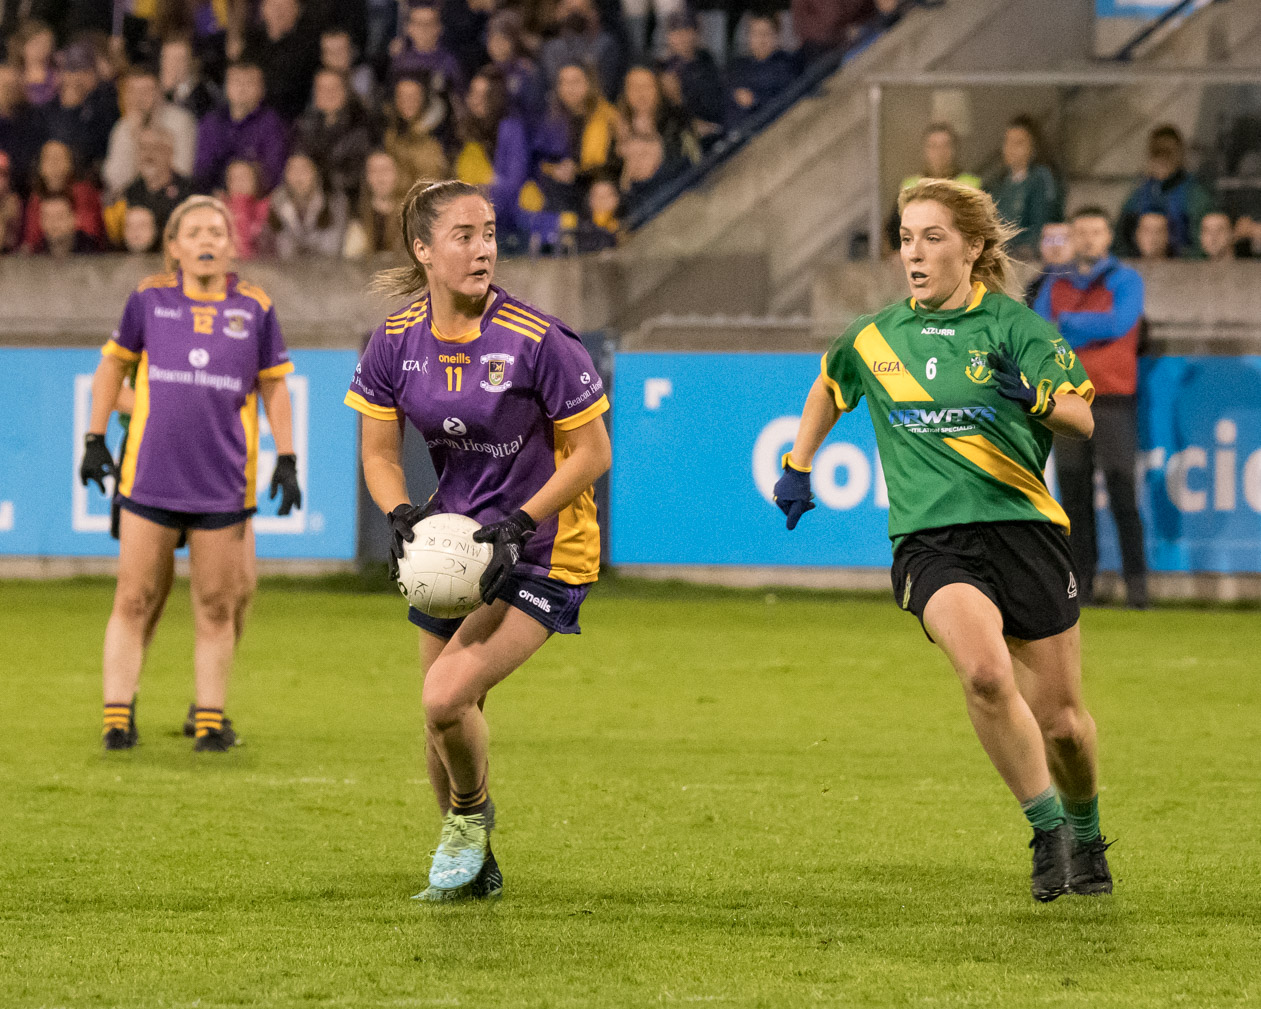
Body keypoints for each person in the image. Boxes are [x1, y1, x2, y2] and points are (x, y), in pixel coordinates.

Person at [774, 178, 1113, 902]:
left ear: (973, 247)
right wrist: (797, 463)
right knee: (985, 675)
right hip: (933, 543)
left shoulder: (1016, 328)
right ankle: (1045, 825)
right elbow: (828, 386)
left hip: (1024, 533)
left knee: (1063, 726)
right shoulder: (873, 337)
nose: (914, 253)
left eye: (932, 237)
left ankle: (1085, 831)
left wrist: (1041, 400)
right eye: (905, 237)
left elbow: (1082, 419)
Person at [344, 179, 611, 901]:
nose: (483, 248)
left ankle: (468, 817)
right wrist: (400, 509)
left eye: (489, 232)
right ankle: (472, 863)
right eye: (463, 235)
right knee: (445, 716)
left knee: (443, 698)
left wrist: (521, 523)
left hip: (543, 546)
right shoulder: (395, 341)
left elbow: (592, 454)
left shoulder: (537, 340)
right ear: (422, 249)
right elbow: (376, 451)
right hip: (453, 542)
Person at [79, 194, 302, 752]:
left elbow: (274, 385)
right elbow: (112, 365)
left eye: (217, 232)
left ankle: (207, 720)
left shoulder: (255, 307)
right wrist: (93, 437)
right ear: (173, 247)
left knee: (220, 602)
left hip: (223, 483)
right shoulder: (149, 299)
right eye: (195, 232)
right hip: (150, 477)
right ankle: (116, 718)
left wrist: (290, 458)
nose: (207, 240)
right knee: (134, 597)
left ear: (232, 246)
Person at [1035, 206, 1147, 610]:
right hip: (1067, 402)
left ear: (1108, 236)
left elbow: (1120, 323)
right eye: (1080, 231)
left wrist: (1069, 324)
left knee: (1122, 495)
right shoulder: (1058, 281)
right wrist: (1078, 326)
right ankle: (1082, 585)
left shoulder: (1126, 279)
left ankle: (1138, 587)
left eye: (1095, 231)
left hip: (1114, 400)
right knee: (1074, 499)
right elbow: (1040, 332)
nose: (1087, 239)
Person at [1115, 125, 1211, 259]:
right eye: (1156, 152)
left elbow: (1204, 243)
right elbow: (1120, 240)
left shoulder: (1194, 194)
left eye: (1168, 152)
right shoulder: (1139, 194)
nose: (1162, 158)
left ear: (1180, 154)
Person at [102, 65, 197, 197]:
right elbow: (115, 180)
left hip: (170, 196)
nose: (139, 98)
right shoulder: (123, 128)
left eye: (146, 91)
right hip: (133, 199)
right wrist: (134, 136)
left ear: (159, 93)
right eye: (133, 91)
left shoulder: (180, 122)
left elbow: (183, 171)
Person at [194, 61, 289, 191]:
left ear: (261, 89)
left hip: (258, 201)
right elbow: (202, 169)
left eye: (249, 82)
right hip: (216, 199)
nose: (242, 88)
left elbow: (274, 171)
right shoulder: (211, 122)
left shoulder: (271, 123)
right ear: (226, 87)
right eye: (236, 82)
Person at [886, 122, 980, 250]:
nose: (940, 152)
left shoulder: (971, 185)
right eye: (933, 146)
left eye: (946, 145)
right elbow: (892, 229)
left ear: (955, 149)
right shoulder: (910, 186)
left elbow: (979, 229)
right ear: (925, 150)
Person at [984, 115, 1062, 261]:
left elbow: (1041, 224)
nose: (1011, 149)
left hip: (1028, 258)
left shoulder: (1042, 178)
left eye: (1019, 143)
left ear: (1033, 147)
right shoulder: (998, 183)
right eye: (1008, 142)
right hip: (1001, 254)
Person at [292, 68, 373, 201]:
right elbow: (299, 161)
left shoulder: (361, 125)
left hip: (349, 199)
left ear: (345, 92)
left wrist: (321, 180)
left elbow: (358, 175)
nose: (329, 94)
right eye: (322, 89)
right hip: (312, 199)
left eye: (334, 88)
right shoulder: (304, 125)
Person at [239, 0, 322, 122]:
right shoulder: (251, 42)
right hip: (250, 116)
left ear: (297, 11)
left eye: (286, 6)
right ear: (263, 10)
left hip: (289, 119)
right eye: (274, 5)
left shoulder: (308, 46)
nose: (279, 12)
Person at [20, 138, 103, 251]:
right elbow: (32, 239)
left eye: (59, 158)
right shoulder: (36, 198)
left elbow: (91, 232)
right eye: (48, 159)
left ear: (70, 164)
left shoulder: (85, 192)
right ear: (40, 167)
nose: (54, 165)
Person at [267, 151, 348, 259]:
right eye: (292, 170)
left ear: (316, 173)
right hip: (284, 273)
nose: (298, 177)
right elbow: (275, 251)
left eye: (304, 170)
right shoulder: (275, 205)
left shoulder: (335, 205)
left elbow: (332, 248)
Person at [724, 12, 798, 125]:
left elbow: (788, 101)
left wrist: (755, 101)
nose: (761, 39)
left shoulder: (786, 64)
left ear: (776, 36)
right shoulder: (737, 67)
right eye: (756, 34)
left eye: (766, 33)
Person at [382, 74, 450, 187]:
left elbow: (430, 185)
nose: (407, 101)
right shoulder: (390, 133)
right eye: (401, 96)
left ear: (423, 100)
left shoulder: (435, 137)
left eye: (413, 96)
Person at [342, 149, 404, 258]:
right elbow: (351, 258)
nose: (380, 176)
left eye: (386, 170)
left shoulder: (411, 215)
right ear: (366, 177)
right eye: (374, 171)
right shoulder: (357, 217)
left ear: (397, 173)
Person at [1025, 220, 1072, 308]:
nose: (1056, 247)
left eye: (1062, 239)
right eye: (1049, 240)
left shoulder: (1089, 283)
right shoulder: (1034, 285)